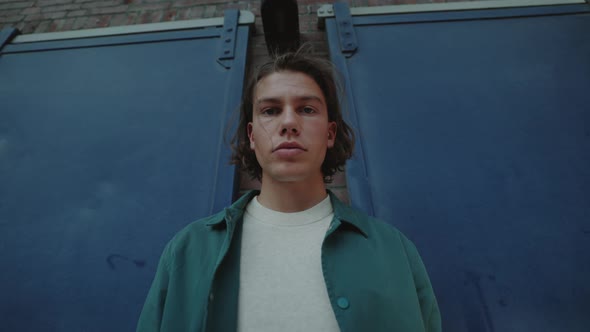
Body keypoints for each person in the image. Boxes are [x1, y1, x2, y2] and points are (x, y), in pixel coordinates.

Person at [136, 49, 441, 332]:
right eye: (270, 110)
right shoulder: (188, 250)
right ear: (252, 136)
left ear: (330, 133)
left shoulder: (394, 250)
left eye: (307, 109)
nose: (289, 122)